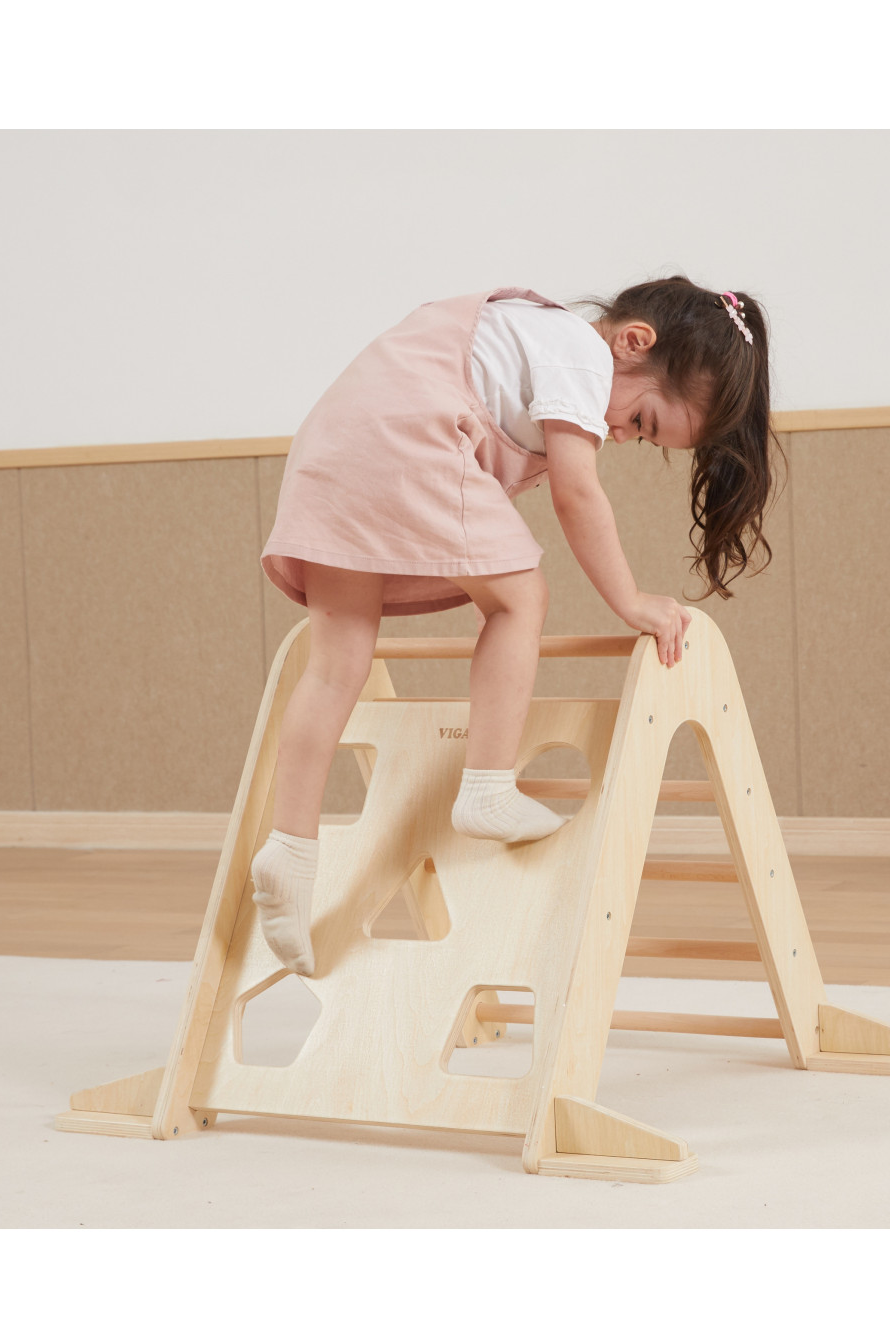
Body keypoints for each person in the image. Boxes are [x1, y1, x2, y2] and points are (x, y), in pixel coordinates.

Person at [251, 278, 781, 975]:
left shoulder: (524, 338)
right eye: (643, 421)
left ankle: (289, 850)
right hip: (407, 443)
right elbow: (575, 493)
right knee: (521, 600)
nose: (622, 435)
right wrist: (629, 600)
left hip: (334, 449)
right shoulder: (579, 352)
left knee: (335, 666)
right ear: (633, 341)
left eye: (641, 437)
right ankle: (487, 787)